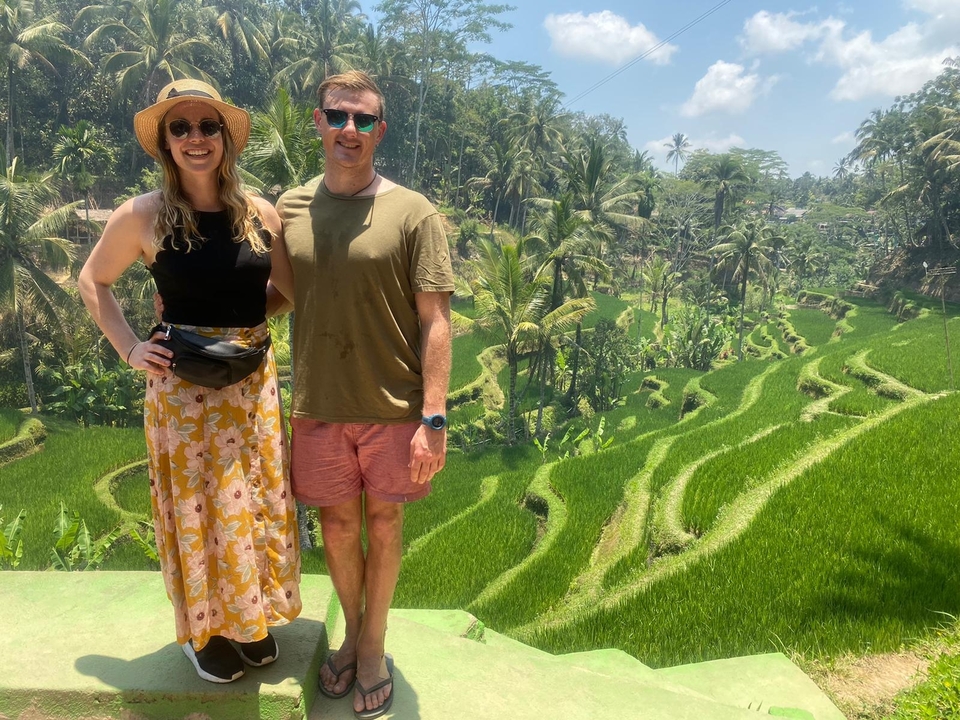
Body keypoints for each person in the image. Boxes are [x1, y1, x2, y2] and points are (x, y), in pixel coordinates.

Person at [78, 79, 301, 684]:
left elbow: (287, 290)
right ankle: (203, 631)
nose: (196, 138)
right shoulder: (143, 215)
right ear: (166, 143)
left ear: (227, 137)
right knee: (199, 506)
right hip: (183, 392)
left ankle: (247, 622)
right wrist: (129, 347)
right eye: (181, 128)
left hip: (251, 383)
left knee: (251, 498)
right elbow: (92, 281)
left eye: (208, 126)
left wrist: (244, 329)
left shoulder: (260, 213)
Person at [273, 70, 453, 719]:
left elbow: (435, 318)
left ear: (381, 130)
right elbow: (282, 295)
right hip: (319, 405)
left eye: (365, 120)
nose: (351, 129)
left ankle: (372, 648)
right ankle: (353, 634)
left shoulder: (414, 212)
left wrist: (434, 415)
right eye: (339, 116)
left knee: (384, 522)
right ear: (318, 122)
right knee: (339, 528)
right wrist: (195, 306)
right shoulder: (289, 209)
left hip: (394, 408)